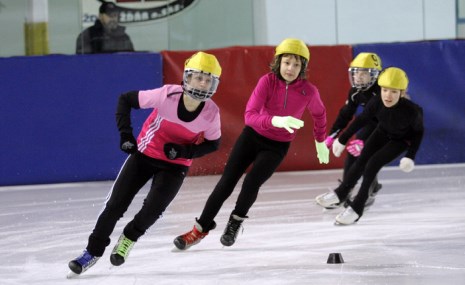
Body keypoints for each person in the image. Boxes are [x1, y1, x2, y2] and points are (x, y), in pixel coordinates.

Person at [67, 51, 222, 276]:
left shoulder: (211, 113)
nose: (203, 83)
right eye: (199, 77)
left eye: (209, 80)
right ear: (187, 77)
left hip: (175, 165)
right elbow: (125, 100)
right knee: (115, 206)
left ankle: (128, 238)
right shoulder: (166, 95)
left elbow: (213, 144)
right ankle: (92, 252)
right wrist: (126, 135)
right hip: (145, 155)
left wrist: (184, 151)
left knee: (153, 211)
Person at [173, 38, 329, 250]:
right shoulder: (267, 81)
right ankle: (199, 230)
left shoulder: (308, 91)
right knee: (226, 183)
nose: (290, 68)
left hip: (277, 145)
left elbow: (320, 114)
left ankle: (235, 223)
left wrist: (320, 141)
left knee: (252, 182)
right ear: (278, 62)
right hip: (252, 137)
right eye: (287, 62)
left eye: (296, 64)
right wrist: (275, 120)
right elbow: (250, 116)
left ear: (303, 67)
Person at [315, 67, 424, 225]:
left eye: (393, 92)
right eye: (385, 90)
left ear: (401, 93)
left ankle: (358, 207)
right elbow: (361, 120)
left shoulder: (413, 111)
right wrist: (343, 139)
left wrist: (410, 156)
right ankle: (341, 193)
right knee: (362, 159)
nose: (388, 95)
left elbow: (418, 134)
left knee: (372, 164)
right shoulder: (377, 101)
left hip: (401, 140)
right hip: (382, 132)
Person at [324, 52, 383, 207]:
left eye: (364, 73)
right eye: (356, 72)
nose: (358, 77)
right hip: (371, 123)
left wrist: (356, 139)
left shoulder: (382, 91)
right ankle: (347, 189)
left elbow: (371, 119)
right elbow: (345, 115)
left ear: (375, 75)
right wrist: (332, 135)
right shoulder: (355, 92)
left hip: (389, 125)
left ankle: (367, 190)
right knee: (353, 152)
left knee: (367, 155)